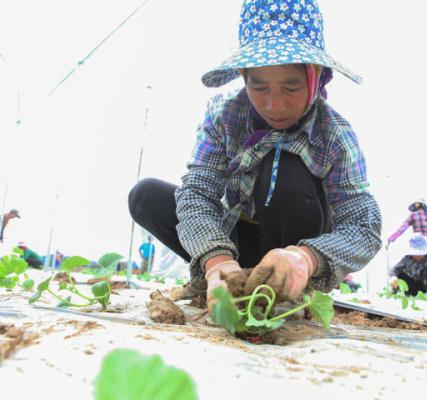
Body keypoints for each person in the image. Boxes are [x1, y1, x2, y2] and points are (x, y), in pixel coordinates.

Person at [127, 0, 382, 308]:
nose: (274, 105)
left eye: (290, 87)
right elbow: (197, 191)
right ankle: (230, 278)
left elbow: (363, 227)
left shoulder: (334, 135)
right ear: (244, 76)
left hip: (292, 247)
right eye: (259, 87)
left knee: (286, 168)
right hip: (236, 241)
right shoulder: (224, 116)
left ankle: (288, 285)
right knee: (146, 196)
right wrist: (217, 260)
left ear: (315, 77)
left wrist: (306, 258)